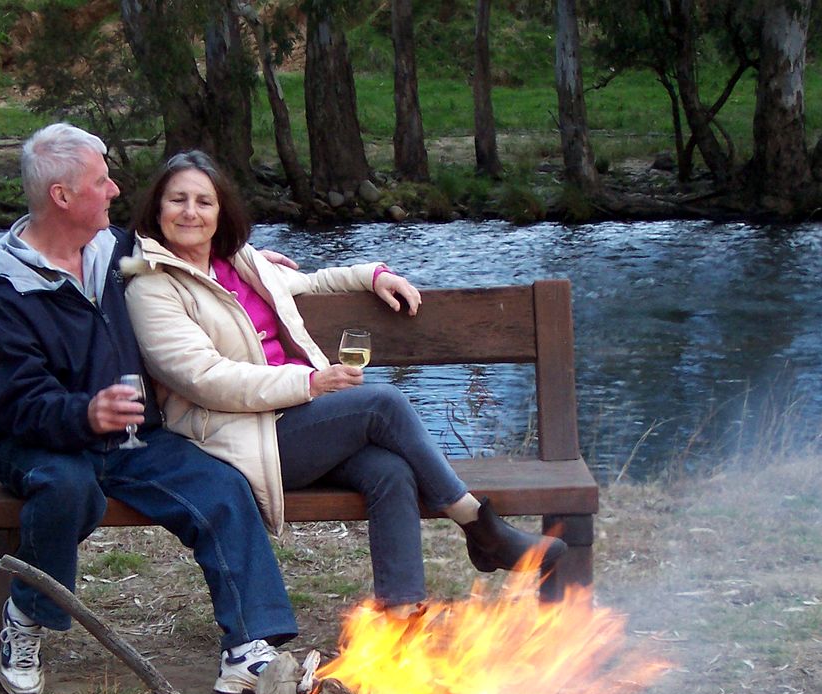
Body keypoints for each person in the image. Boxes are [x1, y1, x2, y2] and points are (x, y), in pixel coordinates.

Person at [121, 150, 566, 616]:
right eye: (178, 200)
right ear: (157, 210)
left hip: (296, 423)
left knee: (388, 470)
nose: (191, 212)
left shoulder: (239, 263)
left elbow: (311, 283)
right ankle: (480, 527)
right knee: (381, 405)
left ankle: (401, 616)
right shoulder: (152, 287)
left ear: (221, 211)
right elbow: (204, 378)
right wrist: (311, 382)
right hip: (237, 438)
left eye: (204, 201)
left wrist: (374, 274)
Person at [0, 125, 298, 694]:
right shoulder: (4, 289)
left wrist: (242, 263)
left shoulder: (117, 250)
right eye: (102, 180)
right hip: (41, 443)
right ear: (62, 197)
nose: (117, 189)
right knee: (69, 490)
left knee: (221, 487)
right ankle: (25, 615)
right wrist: (84, 413)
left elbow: (188, 252)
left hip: (132, 436)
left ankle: (248, 649)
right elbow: (14, 400)